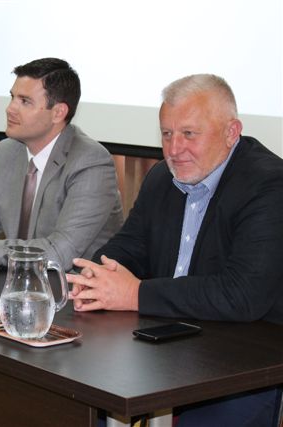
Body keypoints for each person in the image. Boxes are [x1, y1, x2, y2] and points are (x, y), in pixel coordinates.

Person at [68, 74, 283, 426]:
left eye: (189, 134)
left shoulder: (269, 184)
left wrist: (134, 294)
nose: (173, 149)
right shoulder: (162, 177)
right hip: (166, 336)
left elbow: (242, 294)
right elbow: (128, 246)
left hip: (245, 356)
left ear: (231, 132)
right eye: (166, 134)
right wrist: (95, 277)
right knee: (75, 396)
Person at [0, 58, 123, 270]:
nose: (10, 109)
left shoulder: (90, 162)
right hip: (15, 280)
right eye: (12, 97)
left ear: (58, 112)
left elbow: (60, 252)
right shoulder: (7, 152)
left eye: (25, 101)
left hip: (72, 285)